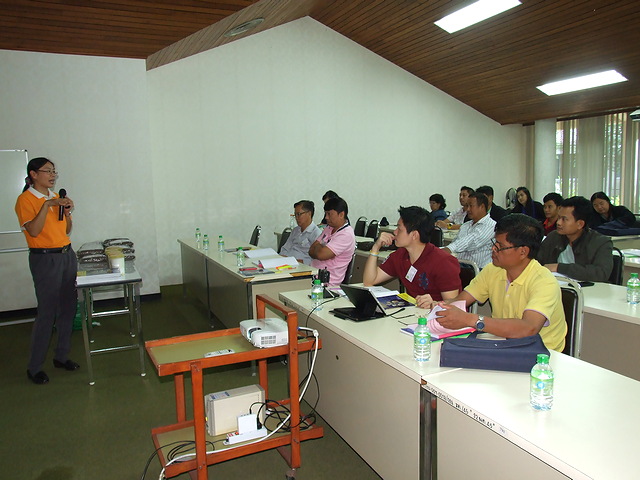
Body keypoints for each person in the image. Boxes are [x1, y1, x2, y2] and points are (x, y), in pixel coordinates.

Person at [433, 214, 567, 352]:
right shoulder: (493, 270)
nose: (493, 249)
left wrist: (471, 320)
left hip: (541, 354)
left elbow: (528, 328)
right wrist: (437, 305)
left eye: (500, 246)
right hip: (502, 344)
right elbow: (460, 301)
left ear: (523, 252)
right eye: (494, 243)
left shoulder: (544, 282)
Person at [14, 157, 79, 385]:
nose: (52, 175)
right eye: (48, 171)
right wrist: (46, 206)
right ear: (33, 174)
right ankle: (34, 367)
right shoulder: (25, 200)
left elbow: (66, 230)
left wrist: (67, 211)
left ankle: (61, 356)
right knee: (47, 313)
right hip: (45, 259)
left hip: (66, 255)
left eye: (54, 172)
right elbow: (33, 231)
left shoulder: (55, 196)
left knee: (68, 309)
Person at [363, 206, 461, 308]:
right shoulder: (400, 255)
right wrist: (375, 248)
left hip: (436, 315)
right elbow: (369, 281)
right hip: (414, 312)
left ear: (414, 235)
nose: (395, 232)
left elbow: (454, 305)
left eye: (399, 229)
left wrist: (434, 303)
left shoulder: (443, 262)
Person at [537, 196, 613, 282]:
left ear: (580, 224)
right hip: (554, 286)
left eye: (564, 219)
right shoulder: (554, 236)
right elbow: (536, 261)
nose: (558, 222)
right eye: (559, 218)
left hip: (587, 289)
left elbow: (601, 273)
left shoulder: (600, 242)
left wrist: (559, 267)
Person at [309, 197, 356, 286]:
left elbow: (321, 255)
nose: (326, 217)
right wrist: (321, 249)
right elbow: (311, 250)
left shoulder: (346, 234)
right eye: (325, 213)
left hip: (327, 282)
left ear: (341, 214)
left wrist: (319, 246)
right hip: (313, 275)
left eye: (329, 214)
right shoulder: (329, 228)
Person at [443, 192, 496, 268]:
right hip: (461, 265)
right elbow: (455, 241)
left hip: (478, 269)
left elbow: (471, 240)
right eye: (467, 206)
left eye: (471, 206)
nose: (468, 209)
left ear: (482, 206)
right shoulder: (466, 225)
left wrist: (449, 249)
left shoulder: (491, 225)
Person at [279, 200, 321, 265]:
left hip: (302, 267)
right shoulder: (295, 230)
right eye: (295, 215)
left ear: (309, 214)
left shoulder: (316, 234)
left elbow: (317, 259)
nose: (296, 218)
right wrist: (283, 258)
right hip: (287, 263)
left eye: (299, 214)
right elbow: (285, 249)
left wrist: (303, 262)